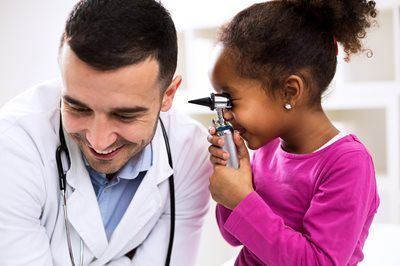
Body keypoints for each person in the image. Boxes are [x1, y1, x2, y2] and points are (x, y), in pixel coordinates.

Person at [0, 0, 211, 265]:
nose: (98, 140)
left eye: (124, 115)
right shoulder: (12, 145)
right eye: (77, 107)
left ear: (168, 95)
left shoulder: (190, 152)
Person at [207, 1, 380, 265]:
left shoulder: (348, 163)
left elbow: (317, 261)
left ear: (290, 91)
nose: (226, 114)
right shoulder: (267, 149)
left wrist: (242, 199)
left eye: (230, 99)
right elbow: (235, 237)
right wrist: (234, 180)